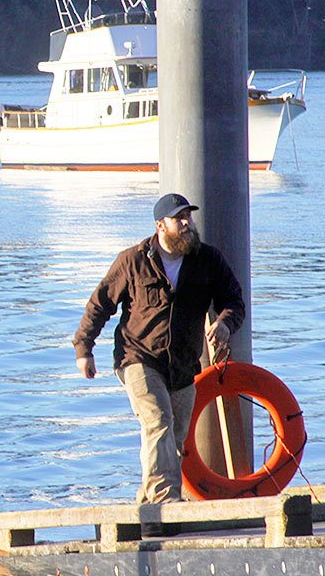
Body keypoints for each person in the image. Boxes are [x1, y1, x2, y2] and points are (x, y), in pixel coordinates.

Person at [72, 193, 246, 508]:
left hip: (182, 364)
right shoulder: (133, 260)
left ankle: (146, 506)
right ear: (160, 225)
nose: (187, 224)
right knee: (158, 422)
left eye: (189, 218)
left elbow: (234, 301)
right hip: (138, 358)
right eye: (179, 218)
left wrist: (223, 324)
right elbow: (100, 304)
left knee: (174, 438)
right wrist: (84, 348)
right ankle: (166, 502)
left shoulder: (208, 260)